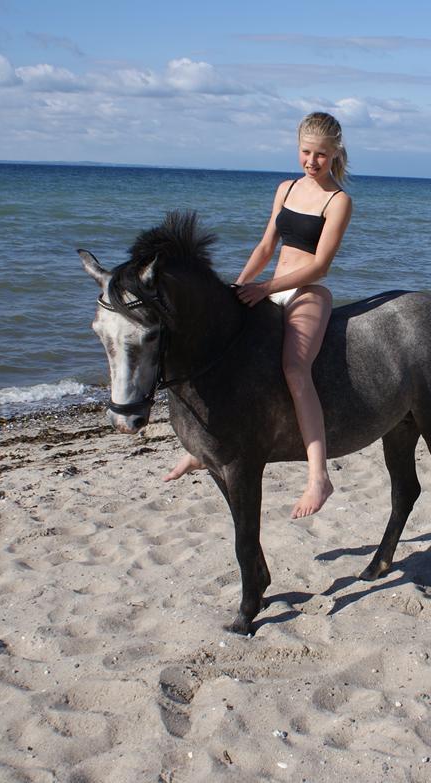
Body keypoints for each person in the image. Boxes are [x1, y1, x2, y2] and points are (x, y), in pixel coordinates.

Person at [164, 112, 353, 520]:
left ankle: (318, 475)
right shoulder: (286, 188)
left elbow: (320, 265)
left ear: (335, 152)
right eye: (306, 151)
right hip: (268, 288)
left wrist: (267, 288)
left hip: (306, 293)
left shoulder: (338, 200)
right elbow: (267, 245)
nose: (312, 161)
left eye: (321, 155)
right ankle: (203, 450)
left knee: (294, 370)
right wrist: (236, 286)